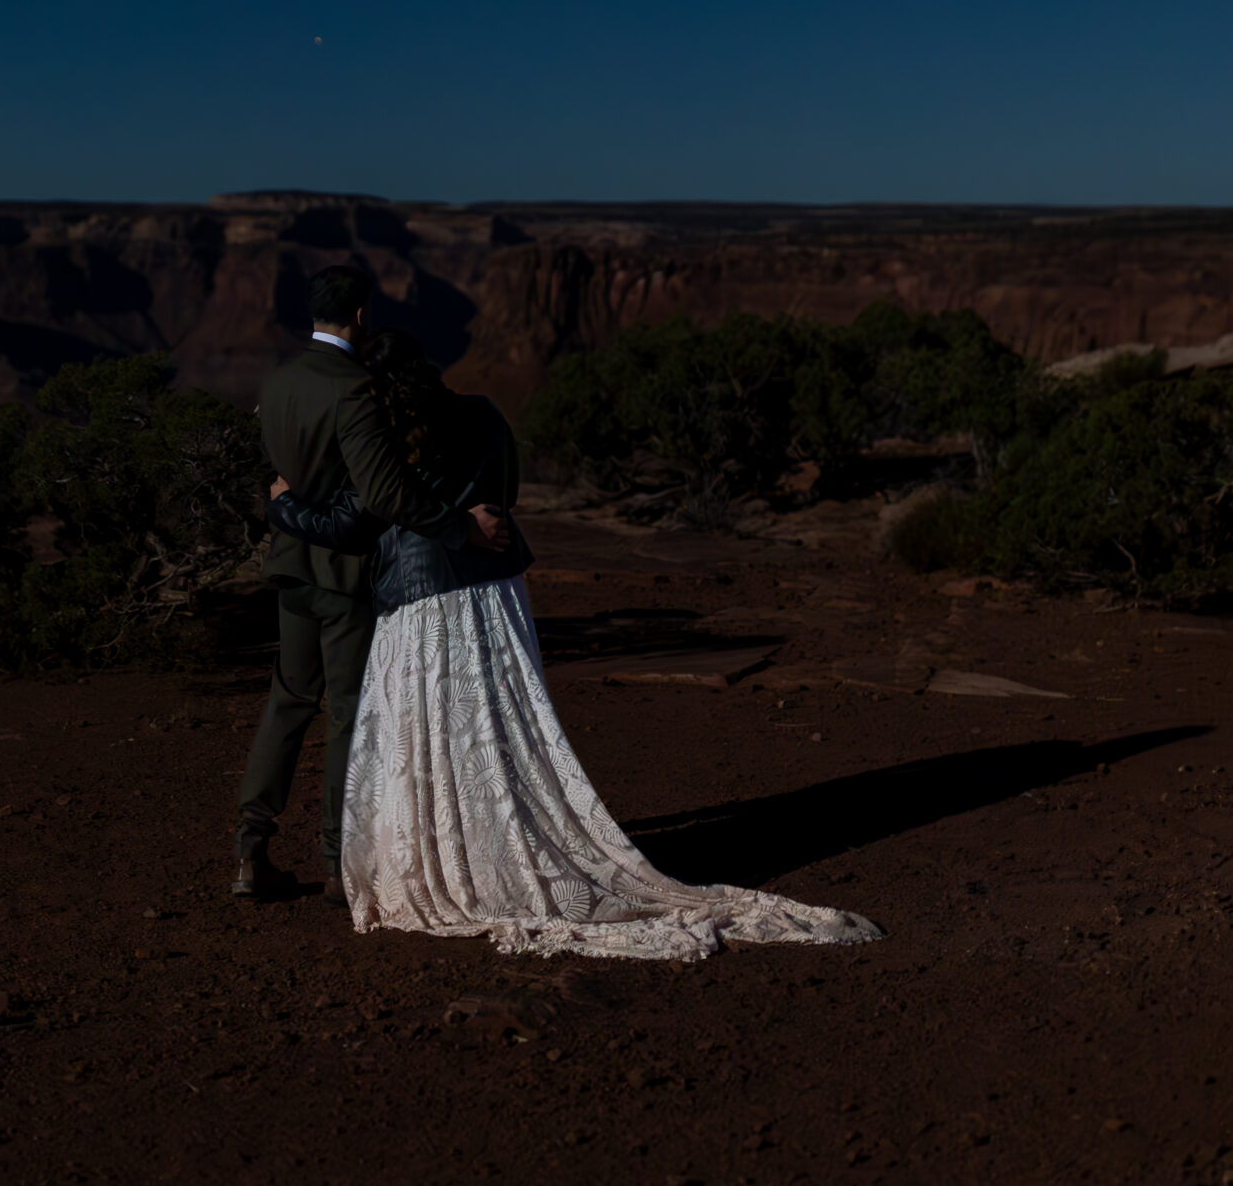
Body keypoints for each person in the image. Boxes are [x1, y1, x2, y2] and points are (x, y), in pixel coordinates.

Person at [268, 330, 883, 962]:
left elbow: (352, 522)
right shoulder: (482, 414)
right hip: (498, 591)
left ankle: (456, 853)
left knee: (431, 731)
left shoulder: (381, 437)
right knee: (498, 725)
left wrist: (285, 506)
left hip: (424, 597)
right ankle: (500, 836)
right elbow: (504, 493)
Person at [235, 266, 508, 903]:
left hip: (291, 564)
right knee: (348, 714)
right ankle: (339, 864)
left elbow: (278, 470)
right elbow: (384, 493)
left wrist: (283, 507)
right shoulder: (355, 388)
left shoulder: (277, 379)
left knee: (288, 701)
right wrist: (459, 530)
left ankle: (250, 849)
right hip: (346, 573)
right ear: (359, 315)